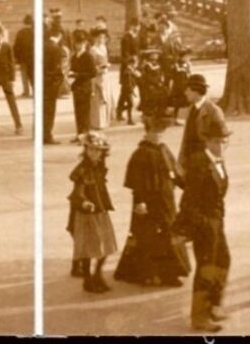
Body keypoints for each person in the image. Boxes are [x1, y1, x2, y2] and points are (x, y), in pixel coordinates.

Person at [113, 113, 188, 288]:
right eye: (155, 132)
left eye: (161, 132)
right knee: (149, 237)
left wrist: (187, 187)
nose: (159, 136)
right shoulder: (140, 154)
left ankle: (170, 273)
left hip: (166, 201)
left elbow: (176, 172)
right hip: (148, 204)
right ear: (147, 132)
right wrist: (140, 202)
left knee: (169, 233)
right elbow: (137, 183)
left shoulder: (164, 149)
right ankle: (147, 272)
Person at [176, 119, 230, 333]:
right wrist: (202, 225)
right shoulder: (200, 162)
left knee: (223, 261)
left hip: (217, 222)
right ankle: (199, 317)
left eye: (223, 141)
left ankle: (215, 305)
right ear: (206, 141)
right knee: (206, 268)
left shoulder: (219, 159)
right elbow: (188, 201)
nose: (220, 146)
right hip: (206, 225)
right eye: (216, 141)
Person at [67, 131, 118, 293]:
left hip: (100, 210)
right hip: (87, 214)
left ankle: (98, 274)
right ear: (85, 150)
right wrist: (85, 202)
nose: (93, 153)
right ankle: (88, 279)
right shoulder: (82, 170)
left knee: (105, 245)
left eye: (97, 150)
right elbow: (78, 191)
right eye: (90, 149)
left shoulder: (99, 167)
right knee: (89, 248)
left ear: (103, 152)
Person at [42, 29, 68, 145]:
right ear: (60, 35)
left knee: (42, 110)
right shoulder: (56, 49)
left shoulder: (42, 45)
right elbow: (58, 69)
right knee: (50, 111)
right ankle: (47, 135)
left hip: (41, 82)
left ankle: (41, 134)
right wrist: (59, 82)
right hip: (51, 84)